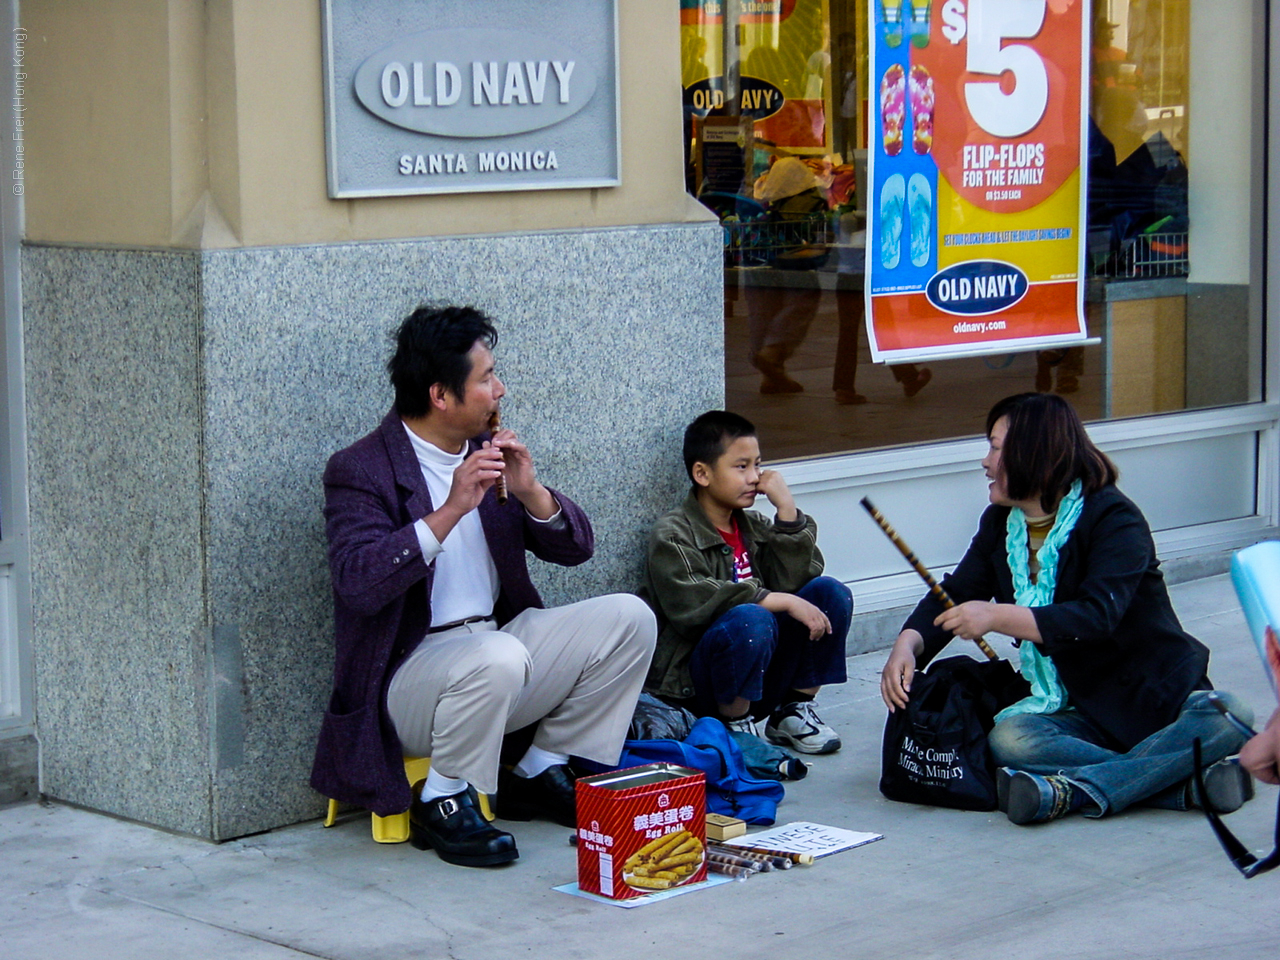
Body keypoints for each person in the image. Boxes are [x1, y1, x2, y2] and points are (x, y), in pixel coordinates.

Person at [310, 305, 656, 867]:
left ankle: (540, 766)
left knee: (629, 617)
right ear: (441, 395)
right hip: (409, 676)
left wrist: (531, 492)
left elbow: (576, 550)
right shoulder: (361, 469)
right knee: (495, 654)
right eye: (486, 378)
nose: (500, 388)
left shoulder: (486, 453)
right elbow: (358, 583)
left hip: (500, 651)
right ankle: (442, 798)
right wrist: (448, 511)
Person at [880, 393, 1255, 824]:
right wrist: (908, 644)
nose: (985, 462)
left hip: (1152, 699)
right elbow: (957, 590)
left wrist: (997, 616)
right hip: (1075, 705)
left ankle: (1067, 791)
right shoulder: (1002, 523)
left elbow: (1096, 616)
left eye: (996, 446)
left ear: (1032, 453)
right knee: (1011, 738)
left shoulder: (1114, 519)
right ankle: (1182, 784)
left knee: (1229, 713)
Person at [642, 410, 851, 755]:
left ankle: (792, 710)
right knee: (751, 616)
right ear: (702, 473)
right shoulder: (673, 533)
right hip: (700, 683)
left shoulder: (753, 525)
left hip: (761, 669)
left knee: (829, 594)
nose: (755, 477)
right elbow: (694, 605)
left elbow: (798, 581)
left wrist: (787, 512)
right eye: (741, 467)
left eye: (758, 464)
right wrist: (779, 601)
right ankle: (735, 726)